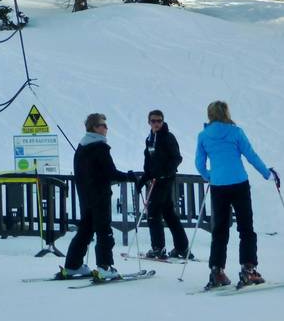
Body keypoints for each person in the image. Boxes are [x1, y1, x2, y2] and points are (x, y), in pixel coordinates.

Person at [195, 100, 280, 289]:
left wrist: (210, 176)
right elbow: (251, 155)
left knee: (220, 230)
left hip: (218, 186)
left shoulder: (203, 136)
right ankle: (248, 269)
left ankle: (217, 271)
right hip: (239, 183)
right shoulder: (236, 132)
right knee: (246, 228)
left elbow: (199, 163)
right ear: (226, 113)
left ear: (210, 114)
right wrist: (267, 173)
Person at [58, 113, 135, 280]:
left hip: (85, 196)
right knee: (104, 231)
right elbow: (110, 172)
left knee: (85, 230)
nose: (106, 128)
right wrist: (128, 177)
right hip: (100, 195)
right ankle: (105, 266)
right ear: (94, 127)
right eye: (103, 125)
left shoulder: (82, 146)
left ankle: (72, 265)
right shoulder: (100, 147)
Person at [137, 109, 190, 260]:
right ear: (149, 122)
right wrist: (144, 178)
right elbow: (149, 162)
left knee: (153, 212)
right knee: (168, 213)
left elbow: (177, 158)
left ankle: (158, 248)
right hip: (155, 180)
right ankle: (182, 247)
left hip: (165, 180)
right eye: (153, 121)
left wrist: (165, 172)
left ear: (163, 121)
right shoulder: (150, 139)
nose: (156, 124)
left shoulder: (167, 137)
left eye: (159, 121)